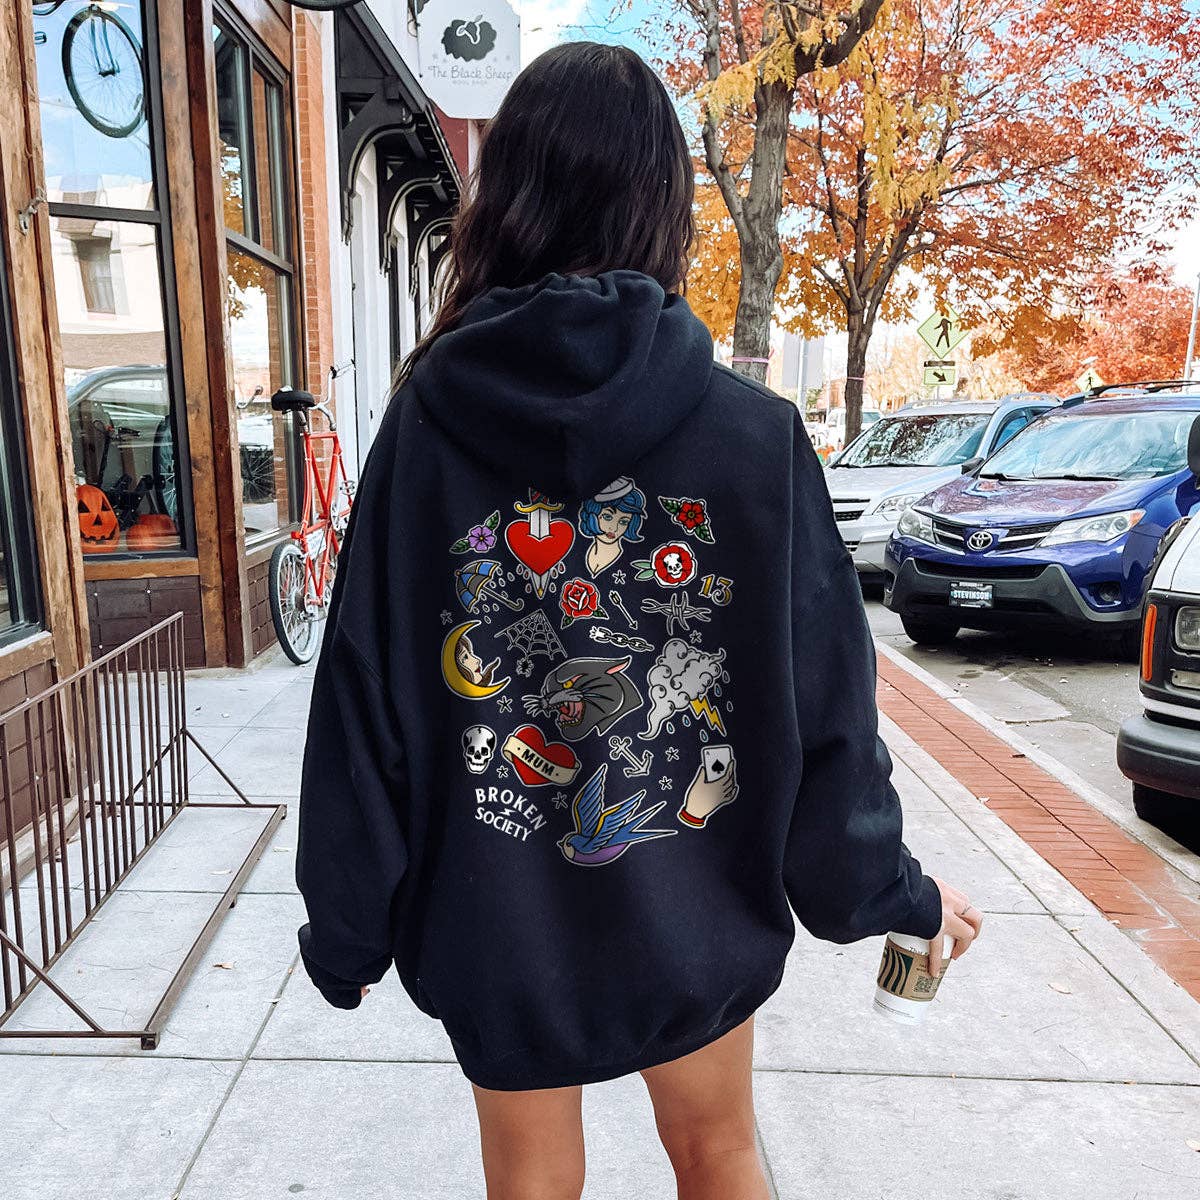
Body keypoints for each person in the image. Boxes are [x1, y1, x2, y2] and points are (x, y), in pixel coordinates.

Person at [295, 41, 982, 1200]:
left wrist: (347, 927)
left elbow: (362, 709)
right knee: (718, 1153)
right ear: (663, 205)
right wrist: (886, 889)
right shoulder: (753, 438)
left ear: (504, 200)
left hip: (499, 926)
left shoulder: (424, 428)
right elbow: (829, 714)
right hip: (693, 921)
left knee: (530, 1181)